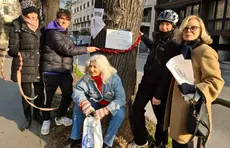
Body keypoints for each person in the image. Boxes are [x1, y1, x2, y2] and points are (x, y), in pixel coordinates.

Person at [164, 15, 224, 148]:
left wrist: (194, 89)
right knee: (177, 142)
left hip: (192, 107)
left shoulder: (205, 51)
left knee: (184, 141)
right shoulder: (184, 48)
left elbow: (215, 81)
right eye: (185, 28)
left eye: (193, 28)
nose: (188, 30)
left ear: (201, 30)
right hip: (178, 104)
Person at [40, 9, 98, 135]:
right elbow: (68, 50)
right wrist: (87, 49)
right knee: (47, 98)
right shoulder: (52, 32)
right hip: (51, 71)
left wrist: (88, 45)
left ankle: (59, 117)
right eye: (62, 18)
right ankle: (45, 120)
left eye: (67, 19)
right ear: (57, 18)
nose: (64, 21)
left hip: (65, 71)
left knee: (68, 95)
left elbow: (73, 46)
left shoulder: (65, 33)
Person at [127, 9, 180, 148]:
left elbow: (169, 72)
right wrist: (143, 37)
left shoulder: (174, 44)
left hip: (159, 87)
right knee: (137, 109)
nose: (164, 27)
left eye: (168, 25)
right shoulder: (159, 39)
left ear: (173, 26)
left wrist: (159, 94)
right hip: (146, 83)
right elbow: (154, 48)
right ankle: (141, 140)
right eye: (162, 24)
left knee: (161, 118)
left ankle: (160, 143)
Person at [67, 54, 126, 148]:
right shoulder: (87, 77)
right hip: (95, 102)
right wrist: (85, 104)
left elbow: (121, 99)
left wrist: (105, 110)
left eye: (95, 67)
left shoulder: (114, 79)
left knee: (120, 114)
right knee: (78, 107)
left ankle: (107, 143)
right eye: (90, 66)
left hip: (111, 104)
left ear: (102, 67)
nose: (91, 69)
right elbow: (78, 91)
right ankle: (75, 138)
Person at [8, 0, 44, 131]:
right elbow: (13, 48)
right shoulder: (16, 25)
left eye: (35, 15)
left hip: (40, 64)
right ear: (24, 15)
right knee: (27, 94)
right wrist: (16, 51)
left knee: (40, 91)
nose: (33, 18)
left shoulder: (42, 25)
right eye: (30, 16)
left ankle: (37, 114)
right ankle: (27, 117)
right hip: (25, 66)